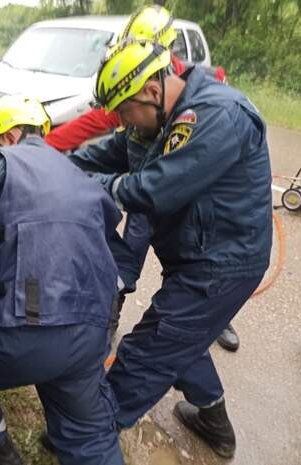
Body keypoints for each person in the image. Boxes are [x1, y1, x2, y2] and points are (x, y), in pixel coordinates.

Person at [74, 38, 271, 459]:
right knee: (183, 337)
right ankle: (215, 424)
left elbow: (153, 190)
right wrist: (58, 163)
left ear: (151, 91)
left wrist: (89, 186)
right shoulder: (154, 119)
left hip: (223, 264)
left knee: (149, 350)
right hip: (193, 252)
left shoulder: (218, 115)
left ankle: (85, 434)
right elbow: (112, 151)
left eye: (126, 112)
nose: (124, 122)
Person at [0, 95, 127, 465]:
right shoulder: (79, 175)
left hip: (27, 327)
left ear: (9, 135)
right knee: (88, 434)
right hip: (92, 330)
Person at [49, 4, 239, 352]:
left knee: (193, 295)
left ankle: (218, 318)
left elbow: (188, 169)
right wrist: (47, 152)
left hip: (177, 202)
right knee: (124, 265)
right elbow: (103, 128)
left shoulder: (193, 94)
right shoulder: (135, 85)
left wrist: (86, 183)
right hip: (143, 190)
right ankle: (109, 316)